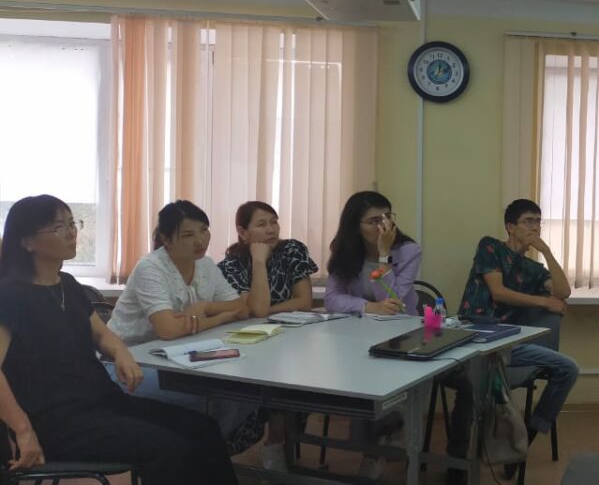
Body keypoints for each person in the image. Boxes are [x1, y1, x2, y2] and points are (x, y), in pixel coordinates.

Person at [0, 195, 236, 484]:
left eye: (73, 224)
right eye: (59, 227)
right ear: (27, 242)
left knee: (203, 428)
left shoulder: (68, 286)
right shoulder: (9, 295)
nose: (72, 233)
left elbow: (102, 334)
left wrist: (122, 353)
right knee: (169, 450)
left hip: (101, 401)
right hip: (55, 420)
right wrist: (23, 430)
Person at [106, 200, 257, 445]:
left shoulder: (205, 265)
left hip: (178, 357)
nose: (200, 240)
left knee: (245, 392)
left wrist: (206, 308)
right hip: (129, 363)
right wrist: (221, 316)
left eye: (204, 230)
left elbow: (242, 307)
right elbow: (168, 330)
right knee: (212, 398)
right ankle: (197, 453)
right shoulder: (151, 268)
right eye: (188, 235)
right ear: (166, 240)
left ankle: (203, 453)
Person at [457, 198, 580, 479]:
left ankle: (524, 439)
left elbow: (563, 292)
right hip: (473, 336)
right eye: (528, 221)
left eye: (538, 222)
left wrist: (546, 251)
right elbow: (498, 292)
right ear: (510, 227)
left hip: (507, 343)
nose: (535, 227)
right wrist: (544, 301)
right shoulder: (490, 247)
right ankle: (458, 458)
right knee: (474, 383)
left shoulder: (532, 268)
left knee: (568, 369)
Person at [323, 190, 422, 479]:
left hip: (401, 333)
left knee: (379, 378)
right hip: (355, 334)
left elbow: (393, 301)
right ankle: (376, 442)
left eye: (387, 217)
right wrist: (367, 307)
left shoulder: (409, 251)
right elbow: (332, 298)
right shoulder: (344, 250)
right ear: (355, 226)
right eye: (374, 220)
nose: (384, 225)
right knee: (352, 375)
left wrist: (382, 255)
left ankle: (377, 447)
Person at [218, 200, 319, 470]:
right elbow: (252, 310)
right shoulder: (231, 265)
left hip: (293, 339)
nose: (271, 229)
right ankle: (267, 446)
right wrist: (259, 261)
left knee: (292, 377)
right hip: (249, 343)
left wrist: (261, 312)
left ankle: (275, 443)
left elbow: (304, 301)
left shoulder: (292, 250)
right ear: (243, 232)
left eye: (274, 222)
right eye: (261, 224)